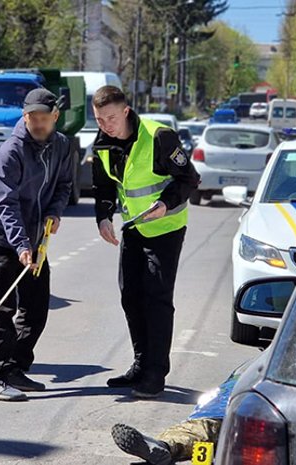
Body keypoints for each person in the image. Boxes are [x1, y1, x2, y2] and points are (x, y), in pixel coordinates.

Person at [91, 86, 199, 399]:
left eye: (110, 118)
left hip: (166, 227)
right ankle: (140, 364)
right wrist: (103, 216)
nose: (106, 125)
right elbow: (103, 188)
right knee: (131, 296)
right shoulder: (102, 144)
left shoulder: (159, 137)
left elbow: (189, 179)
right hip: (134, 228)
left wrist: (166, 204)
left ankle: (155, 373)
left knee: (157, 298)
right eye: (99, 119)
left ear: (125, 111)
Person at [0, 88, 73, 401]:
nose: (37, 123)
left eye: (43, 118)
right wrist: (20, 245)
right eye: (32, 117)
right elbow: (6, 204)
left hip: (36, 241)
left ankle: (15, 367)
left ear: (55, 117)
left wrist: (54, 213)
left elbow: (64, 185)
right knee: (3, 309)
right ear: (25, 115)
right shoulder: (11, 150)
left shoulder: (62, 145)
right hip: (1, 242)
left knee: (35, 310)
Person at [110, 362, 248, 465]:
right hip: (224, 411)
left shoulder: (257, 366)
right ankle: (163, 446)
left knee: (202, 429)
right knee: (202, 428)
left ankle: (166, 446)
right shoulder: (255, 366)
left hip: (238, 413)